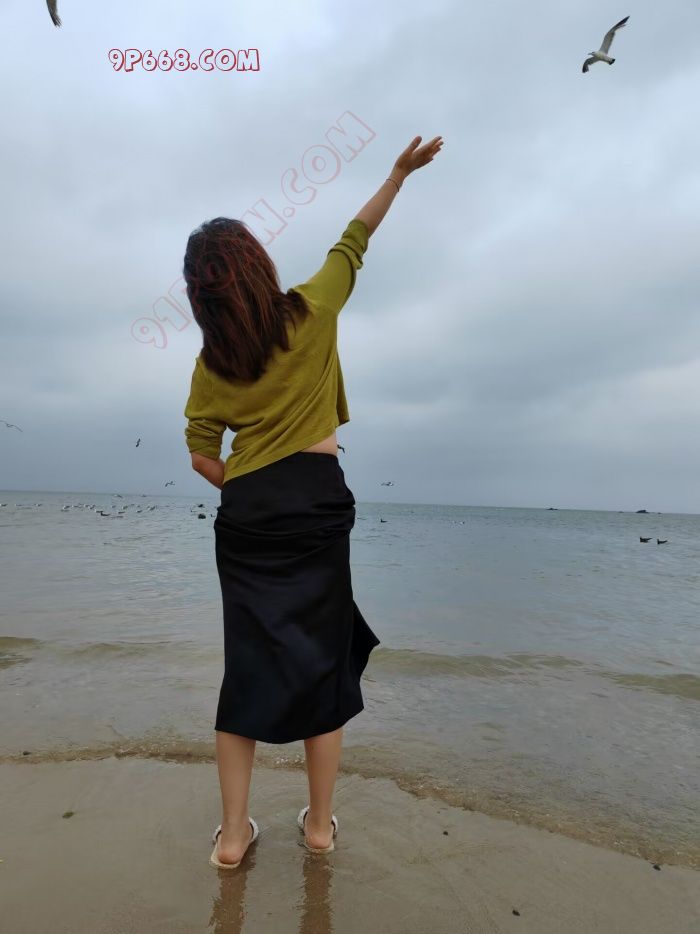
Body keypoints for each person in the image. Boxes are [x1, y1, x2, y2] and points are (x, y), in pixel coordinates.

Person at [182, 134, 444, 869]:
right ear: (258, 268)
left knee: (246, 666)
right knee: (323, 665)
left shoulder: (211, 364)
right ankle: (320, 827)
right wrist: (398, 174)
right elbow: (354, 239)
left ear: (202, 297)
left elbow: (201, 451)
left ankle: (233, 837)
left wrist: (249, 486)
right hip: (317, 501)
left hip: (248, 513)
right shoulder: (312, 309)